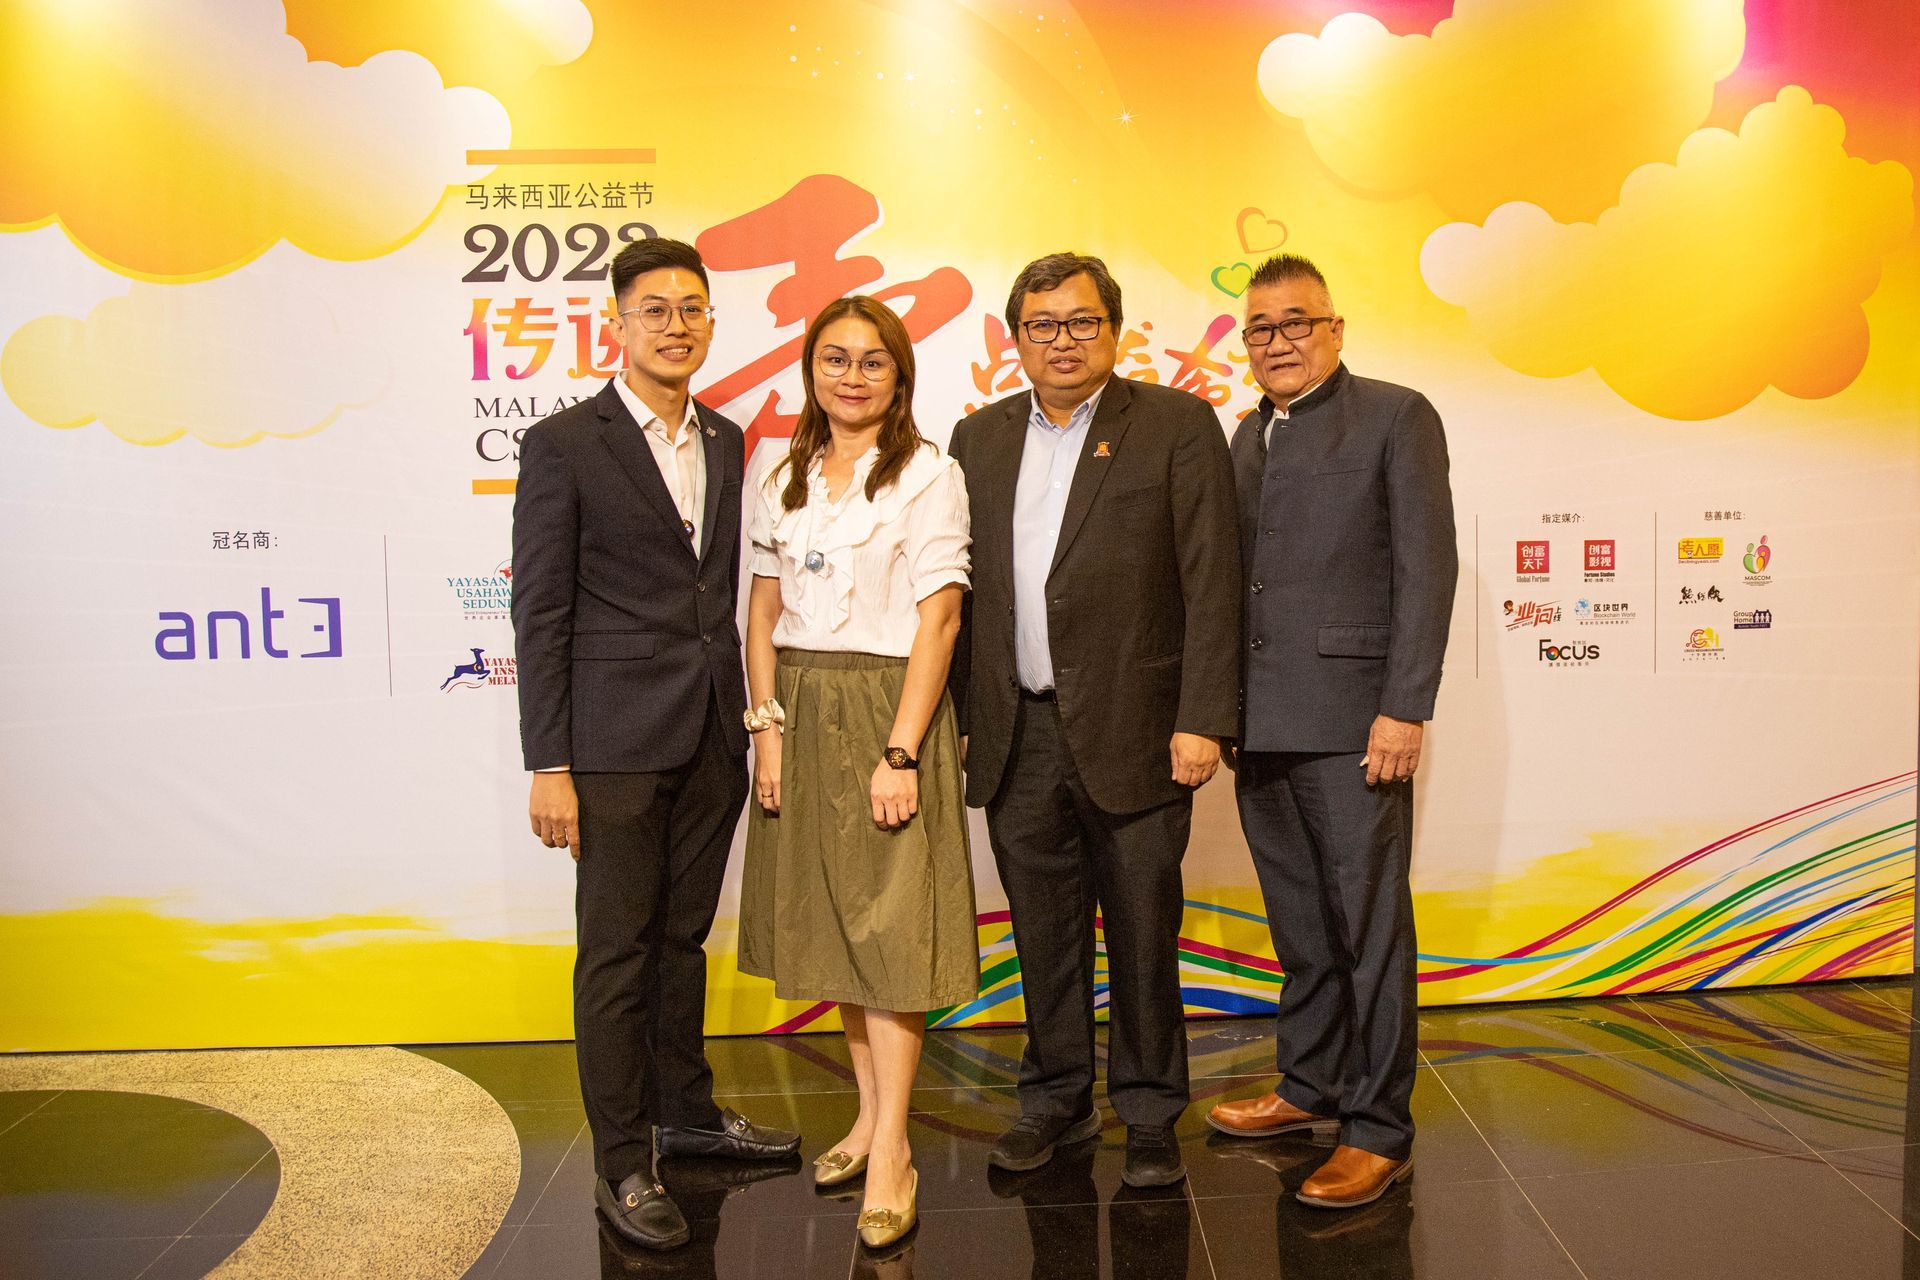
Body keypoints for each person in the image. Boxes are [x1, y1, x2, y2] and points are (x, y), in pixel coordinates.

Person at [511, 237, 800, 1253]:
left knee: (682, 939)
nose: (676, 326)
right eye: (656, 310)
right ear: (617, 325)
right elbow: (540, 610)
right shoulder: (564, 443)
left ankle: (686, 1113)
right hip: (612, 745)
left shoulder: (725, 437)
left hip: (712, 731)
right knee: (617, 952)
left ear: (711, 321)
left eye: (692, 309)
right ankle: (622, 1160)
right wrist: (549, 762)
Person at [947, 252, 1242, 1188]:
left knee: (1145, 931)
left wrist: (1204, 718)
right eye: (1042, 325)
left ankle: (1150, 1113)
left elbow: (1212, 578)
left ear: (1114, 331)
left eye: (1082, 322)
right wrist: (965, 713)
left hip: (1140, 728)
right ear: (1016, 338)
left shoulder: (1176, 424)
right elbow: (962, 591)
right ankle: (1055, 1101)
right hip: (1017, 730)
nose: (1063, 341)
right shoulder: (977, 438)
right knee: (1044, 932)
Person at [1206, 253, 1457, 1209]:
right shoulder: (1246, 434)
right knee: (1300, 923)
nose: (1277, 341)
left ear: (1335, 329)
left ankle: (1378, 1127)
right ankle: (1309, 1084)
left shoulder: (1396, 415)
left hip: (1356, 722)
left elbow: (1427, 570)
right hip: (1260, 722)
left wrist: (1405, 706)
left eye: (1296, 322)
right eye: (1259, 328)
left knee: (1369, 928)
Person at [738, 295, 977, 1251]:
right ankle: (869, 1120)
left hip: (886, 708)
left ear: (899, 375)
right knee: (833, 925)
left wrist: (902, 751)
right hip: (798, 707)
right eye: (834, 358)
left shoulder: (930, 474)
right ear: (811, 370)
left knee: (890, 935)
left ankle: (895, 1153)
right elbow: (761, 613)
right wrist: (767, 732)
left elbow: (940, 621)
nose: (851, 376)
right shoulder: (781, 472)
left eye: (873, 360)